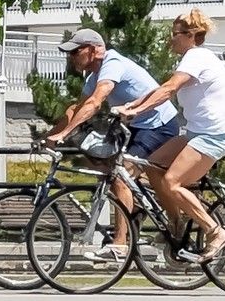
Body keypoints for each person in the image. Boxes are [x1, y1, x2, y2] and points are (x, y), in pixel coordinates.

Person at [44, 28, 180, 261]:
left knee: (120, 177)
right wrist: (49, 137)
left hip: (159, 124)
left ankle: (120, 244)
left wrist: (65, 134)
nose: (71, 57)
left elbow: (96, 102)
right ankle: (137, 208)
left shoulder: (112, 63)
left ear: (94, 50)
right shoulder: (93, 76)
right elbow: (76, 108)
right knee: (107, 170)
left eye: (76, 51)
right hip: (137, 125)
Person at [117, 9, 225, 263]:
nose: (170, 40)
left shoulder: (196, 57)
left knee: (173, 182)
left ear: (190, 35)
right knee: (152, 165)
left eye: (174, 35)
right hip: (198, 132)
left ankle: (215, 232)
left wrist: (136, 111)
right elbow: (160, 89)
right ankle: (177, 223)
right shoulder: (192, 59)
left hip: (215, 135)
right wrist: (130, 107)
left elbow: (169, 90)